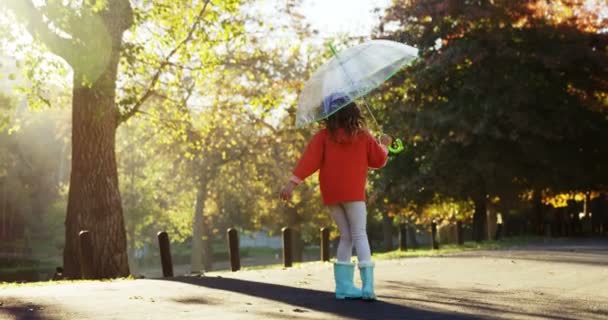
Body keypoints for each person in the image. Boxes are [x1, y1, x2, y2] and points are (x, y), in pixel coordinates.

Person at [280, 93, 392, 300]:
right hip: (353, 193)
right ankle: (367, 287)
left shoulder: (323, 137)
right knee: (359, 234)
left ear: (329, 114)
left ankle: (343, 287)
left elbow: (308, 161)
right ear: (353, 111)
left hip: (332, 193)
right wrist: (384, 145)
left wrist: (291, 184)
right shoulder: (363, 135)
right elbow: (378, 161)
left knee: (347, 236)